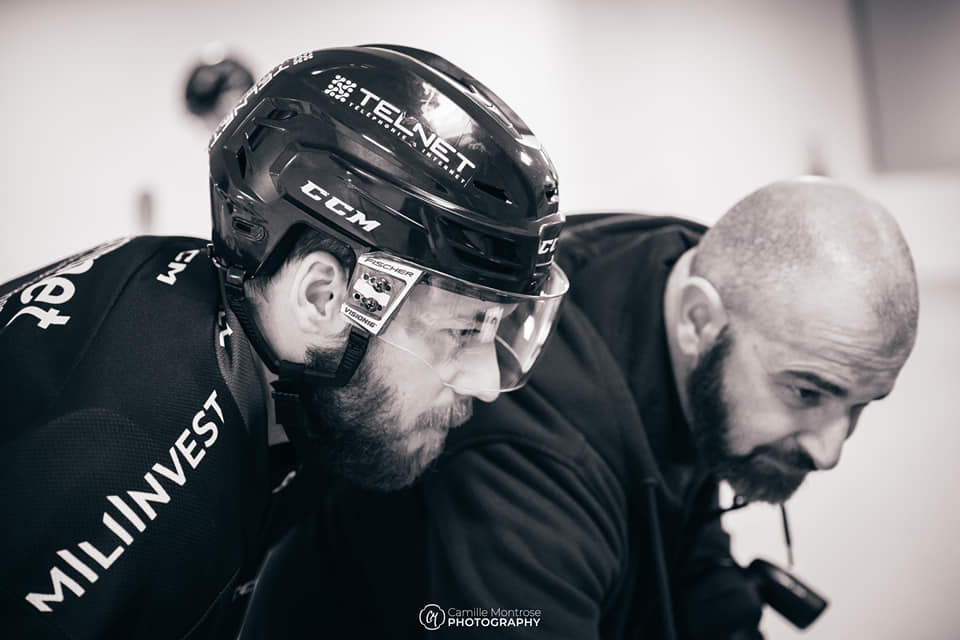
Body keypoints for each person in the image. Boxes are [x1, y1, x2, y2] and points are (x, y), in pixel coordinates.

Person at [0, 44, 568, 639]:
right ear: (324, 298)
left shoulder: (280, 364)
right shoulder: (123, 474)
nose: (483, 382)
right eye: (460, 330)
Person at [263, 177, 919, 639]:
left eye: (862, 405)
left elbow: (686, 542)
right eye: (808, 393)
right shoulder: (533, 448)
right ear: (699, 320)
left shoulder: (684, 269)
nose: (830, 449)